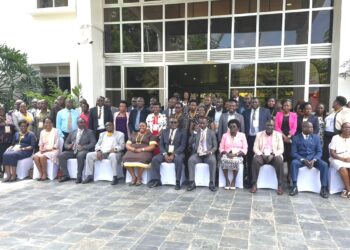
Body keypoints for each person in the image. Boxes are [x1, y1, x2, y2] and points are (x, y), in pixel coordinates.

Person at [289, 121, 329, 198]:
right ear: (303, 128)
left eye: (312, 127)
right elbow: (293, 153)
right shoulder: (296, 138)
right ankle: (294, 186)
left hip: (314, 160)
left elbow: (319, 151)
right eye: (310, 127)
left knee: (325, 165)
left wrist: (314, 159)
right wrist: (303, 160)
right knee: (293, 163)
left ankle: (323, 188)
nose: (312, 129)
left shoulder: (316, 137)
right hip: (301, 160)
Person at [148, 117, 187, 190]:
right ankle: (157, 180)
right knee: (155, 159)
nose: (173, 124)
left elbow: (183, 146)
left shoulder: (183, 132)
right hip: (166, 152)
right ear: (169, 123)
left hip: (177, 152)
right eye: (171, 122)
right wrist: (165, 154)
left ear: (178, 123)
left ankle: (177, 181)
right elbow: (161, 145)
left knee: (178, 160)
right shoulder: (164, 131)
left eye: (175, 122)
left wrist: (173, 154)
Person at [250, 120, 284, 195]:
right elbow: (255, 148)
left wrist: (273, 155)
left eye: (271, 125)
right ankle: (254, 184)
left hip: (273, 155)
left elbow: (281, 149)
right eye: (268, 125)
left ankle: (280, 185)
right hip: (262, 155)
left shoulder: (278, 135)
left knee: (279, 161)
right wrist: (261, 154)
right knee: (255, 160)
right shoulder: (259, 134)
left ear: (274, 126)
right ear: (265, 126)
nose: (269, 127)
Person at [243, 97, 271, 186]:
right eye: (252, 102)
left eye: (256, 102)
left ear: (259, 103)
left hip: (261, 138)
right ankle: (251, 180)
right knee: (250, 159)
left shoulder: (266, 111)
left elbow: (269, 124)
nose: (254, 103)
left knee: (260, 157)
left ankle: (261, 179)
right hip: (250, 138)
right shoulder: (245, 112)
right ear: (250, 103)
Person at [58, 118, 96, 183]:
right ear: (77, 124)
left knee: (80, 155)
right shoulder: (73, 132)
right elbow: (66, 143)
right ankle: (66, 175)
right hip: (72, 151)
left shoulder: (89, 132)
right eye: (80, 122)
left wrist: (83, 147)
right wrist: (68, 146)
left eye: (83, 122)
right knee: (61, 155)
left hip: (83, 151)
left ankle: (79, 176)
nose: (82, 124)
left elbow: (93, 143)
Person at [187, 117, 218, 192]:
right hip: (198, 154)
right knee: (191, 160)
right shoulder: (196, 132)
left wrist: (210, 152)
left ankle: (212, 183)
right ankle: (192, 182)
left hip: (208, 154)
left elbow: (215, 146)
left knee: (213, 161)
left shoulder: (211, 132)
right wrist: (194, 132)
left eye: (203, 123)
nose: (201, 125)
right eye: (200, 123)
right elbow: (190, 142)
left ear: (207, 124)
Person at [219, 119, 247, 190]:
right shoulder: (225, 135)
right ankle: (227, 181)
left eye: (234, 126)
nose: (232, 128)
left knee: (235, 161)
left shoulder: (242, 135)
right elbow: (221, 148)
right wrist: (227, 154)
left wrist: (236, 155)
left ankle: (234, 180)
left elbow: (245, 149)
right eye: (230, 127)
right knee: (223, 160)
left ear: (238, 128)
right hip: (227, 154)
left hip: (238, 155)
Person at [323, 96, 350, 162]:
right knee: (326, 154)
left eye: (334, 101)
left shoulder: (345, 112)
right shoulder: (333, 112)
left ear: (337, 103)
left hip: (335, 135)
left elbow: (346, 125)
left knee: (333, 153)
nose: (333, 103)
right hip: (327, 136)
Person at [274, 99, 297, 173]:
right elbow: (276, 127)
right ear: (282, 106)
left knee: (290, 156)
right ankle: (280, 174)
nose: (286, 107)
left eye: (288, 105)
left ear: (290, 107)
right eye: (285, 105)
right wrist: (284, 137)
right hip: (280, 137)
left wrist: (289, 136)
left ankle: (289, 175)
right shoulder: (278, 114)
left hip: (290, 138)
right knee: (281, 156)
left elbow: (294, 127)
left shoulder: (294, 115)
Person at [329, 122, 350, 198]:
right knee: (342, 168)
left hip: (348, 159)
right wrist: (343, 159)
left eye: (349, 128)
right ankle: (349, 190)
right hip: (337, 159)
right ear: (341, 128)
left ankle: (346, 190)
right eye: (345, 127)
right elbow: (332, 153)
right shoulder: (335, 137)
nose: (347, 129)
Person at [0, 105, 15, 176]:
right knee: (1, 155)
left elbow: (12, 125)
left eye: (2, 109)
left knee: (5, 155)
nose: (1, 110)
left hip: (9, 138)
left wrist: (6, 123)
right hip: (1, 139)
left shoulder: (8, 116)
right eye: (0, 109)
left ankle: (5, 171)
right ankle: (1, 171)